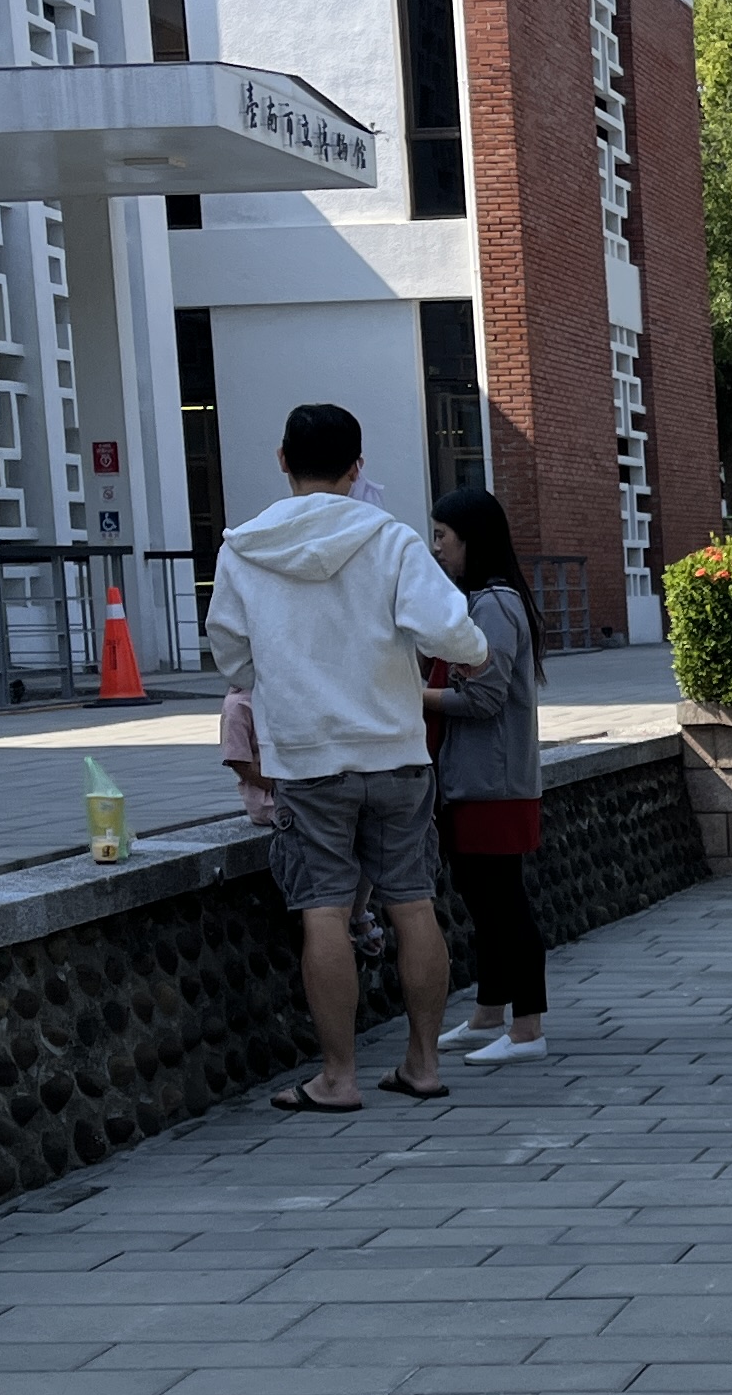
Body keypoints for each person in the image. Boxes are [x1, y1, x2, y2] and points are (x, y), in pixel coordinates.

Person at [203, 404, 485, 1113]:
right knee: (412, 904)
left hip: (305, 758)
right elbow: (451, 631)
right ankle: (422, 1064)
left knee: (323, 913)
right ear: (358, 467)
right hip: (394, 751)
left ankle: (338, 1076)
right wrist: (473, 656)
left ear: (281, 458)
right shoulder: (389, 538)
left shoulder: (243, 547)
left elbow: (231, 654)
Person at [425, 490, 551, 1064]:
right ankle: (489, 1012)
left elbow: (485, 697)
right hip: (478, 780)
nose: (436, 549)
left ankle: (527, 1028)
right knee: (484, 900)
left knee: (504, 904)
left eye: (443, 537)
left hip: (493, 783)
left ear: (472, 539)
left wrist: (416, 696)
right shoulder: (484, 601)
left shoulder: (494, 605)